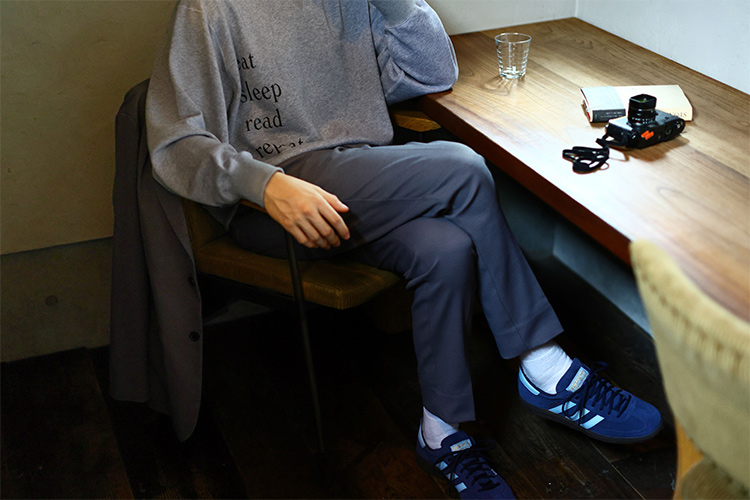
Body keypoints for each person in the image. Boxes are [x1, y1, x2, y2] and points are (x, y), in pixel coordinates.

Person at [146, 1, 662, 498]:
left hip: (361, 181)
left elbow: (433, 74)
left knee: (446, 248)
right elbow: (175, 143)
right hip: (271, 206)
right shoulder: (209, 8)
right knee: (463, 168)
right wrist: (264, 184)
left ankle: (442, 432)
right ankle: (544, 363)